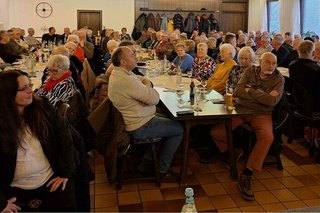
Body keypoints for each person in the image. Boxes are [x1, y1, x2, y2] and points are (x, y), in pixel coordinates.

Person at [203, 52, 284, 201]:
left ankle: (247, 173)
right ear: (260, 62)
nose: (271, 66)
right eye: (267, 62)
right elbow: (238, 91)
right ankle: (235, 152)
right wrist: (262, 94)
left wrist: (250, 90)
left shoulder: (278, 78)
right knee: (217, 133)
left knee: (267, 137)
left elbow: (271, 102)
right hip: (241, 109)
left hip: (261, 114)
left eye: (274, 63)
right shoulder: (250, 71)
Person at [0, 70, 76, 212]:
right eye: (23, 88)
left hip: (51, 183)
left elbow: (64, 137)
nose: (30, 90)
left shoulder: (42, 108)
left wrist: (65, 172)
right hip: (15, 192)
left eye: (29, 85)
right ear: (7, 95)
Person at [108, 46, 183, 182]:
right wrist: (147, 87)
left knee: (169, 120)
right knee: (178, 129)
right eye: (132, 54)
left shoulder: (121, 73)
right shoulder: (126, 80)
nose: (135, 55)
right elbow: (154, 98)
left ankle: (146, 163)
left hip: (140, 117)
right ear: (123, 61)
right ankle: (162, 171)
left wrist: (145, 86)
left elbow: (140, 79)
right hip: (139, 125)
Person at [289, 40, 320, 112]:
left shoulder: (292, 65)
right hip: (314, 107)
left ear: (298, 51)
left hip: (297, 102)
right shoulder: (316, 69)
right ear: (313, 53)